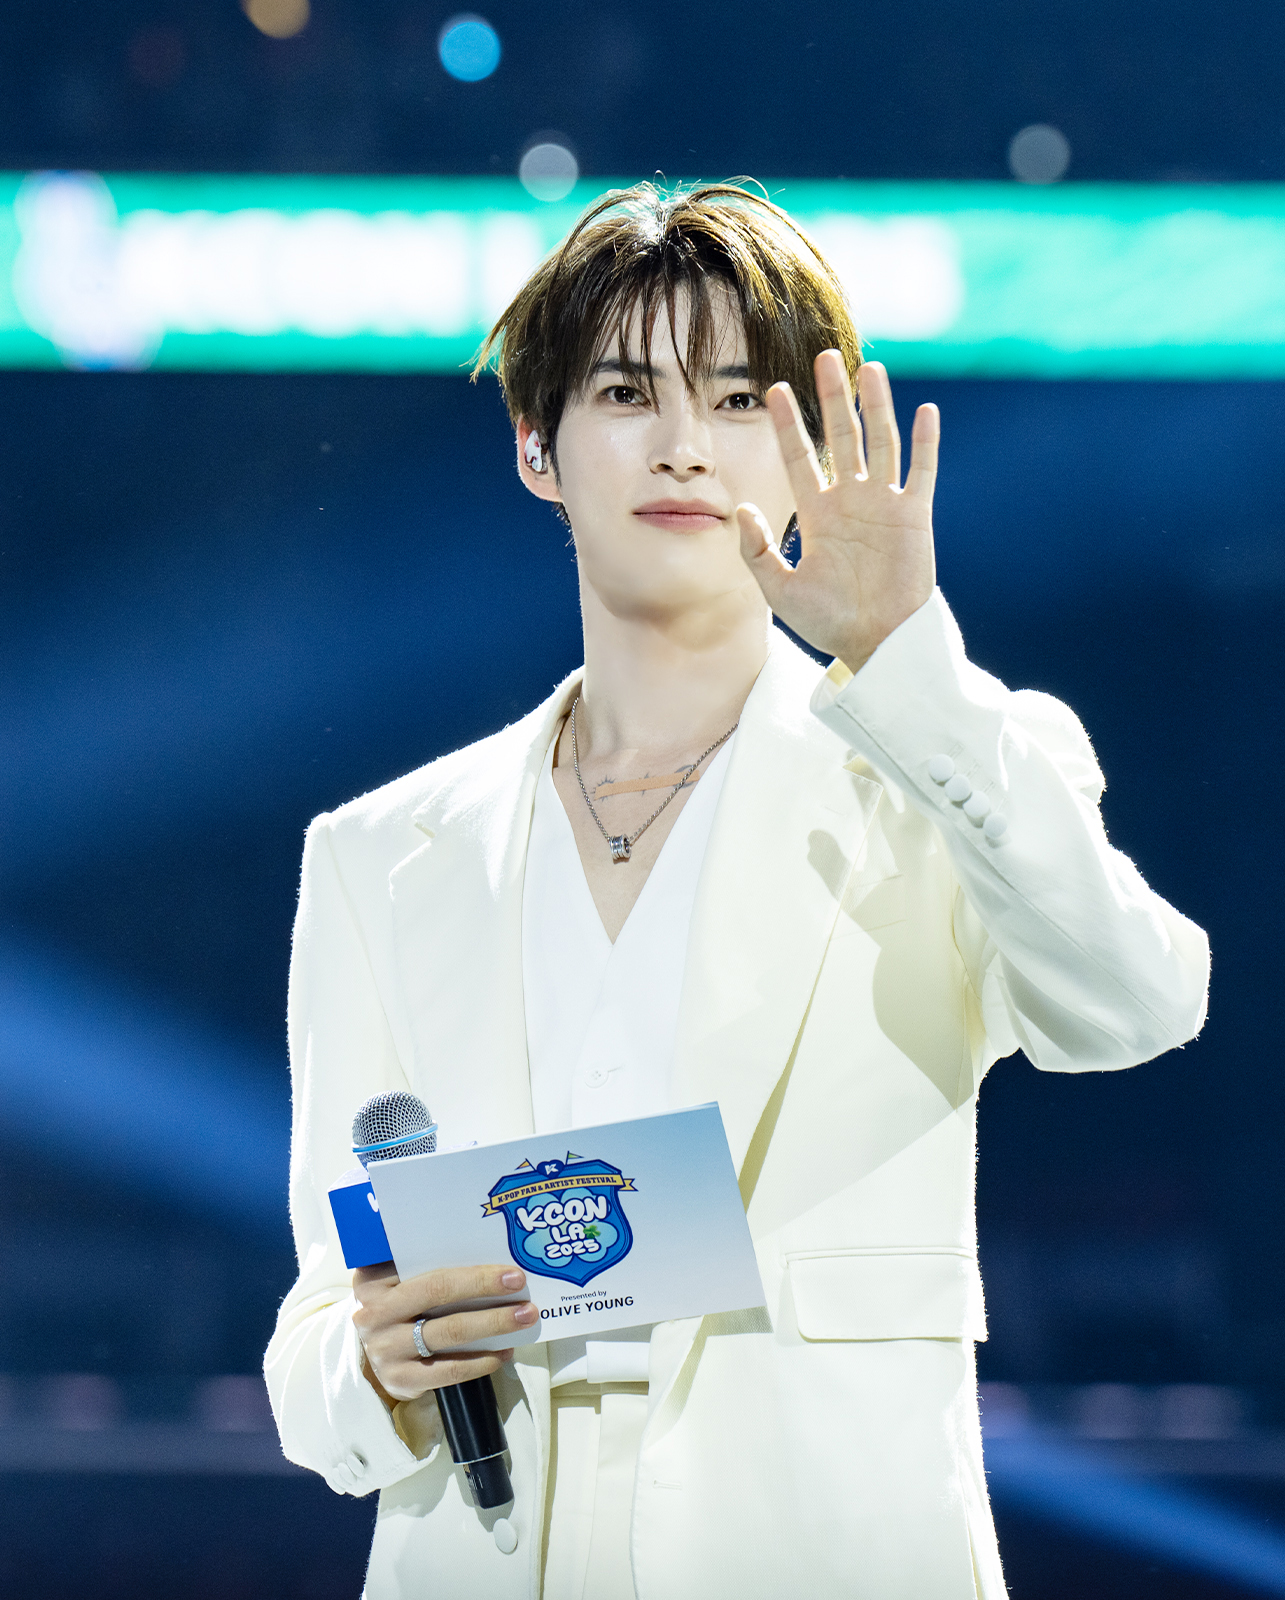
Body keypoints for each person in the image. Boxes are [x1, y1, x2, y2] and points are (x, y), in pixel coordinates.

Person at [264, 180, 1209, 1600]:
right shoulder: (380, 857)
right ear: (536, 445)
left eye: (735, 398)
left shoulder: (944, 773)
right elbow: (317, 1338)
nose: (685, 446)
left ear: (806, 443)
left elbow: (1139, 1003)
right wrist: (373, 1366)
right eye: (627, 393)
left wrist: (907, 660)